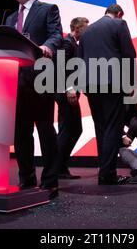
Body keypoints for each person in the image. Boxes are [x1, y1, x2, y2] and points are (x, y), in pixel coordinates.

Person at [5, 0, 63, 198]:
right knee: (21, 133)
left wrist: (47, 47)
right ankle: (26, 179)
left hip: (41, 76)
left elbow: (56, 35)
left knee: (45, 130)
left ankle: (50, 181)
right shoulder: (9, 18)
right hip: (15, 81)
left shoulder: (47, 9)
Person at [78, 4, 137, 185]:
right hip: (112, 82)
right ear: (119, 14)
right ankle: (108, 174)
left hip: (91, 84)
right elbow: (128, 54)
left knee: (101, 127)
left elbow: (79, 59)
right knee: (113, 126)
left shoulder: (87, 31)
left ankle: (104, 171)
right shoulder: (119, 24)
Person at [55, 17, 89, 179]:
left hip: (69, 92)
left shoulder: (72, 44)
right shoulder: (67, 43)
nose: (87, 31)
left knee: (73, 129)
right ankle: (58, 167)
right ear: (77, 28)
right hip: (65, 93)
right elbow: (61, 67)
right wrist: (69, 89)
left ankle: (60, 166)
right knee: (68, 130)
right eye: (85, 28)